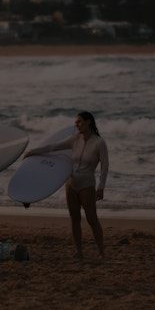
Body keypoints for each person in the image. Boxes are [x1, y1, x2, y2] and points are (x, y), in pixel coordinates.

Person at [24, 111, 109, 259]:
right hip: (71, 184)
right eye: (76, 122)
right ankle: (79, 252)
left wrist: (101, 187)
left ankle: (101, 252)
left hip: (87, 184)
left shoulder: (99, 143)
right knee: (74, 219)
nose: (77, 125)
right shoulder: (74, 139)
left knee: (92, 219)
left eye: (79, 122)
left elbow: (105, 167)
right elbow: (53, 147)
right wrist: (33, 151)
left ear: (88, 122)